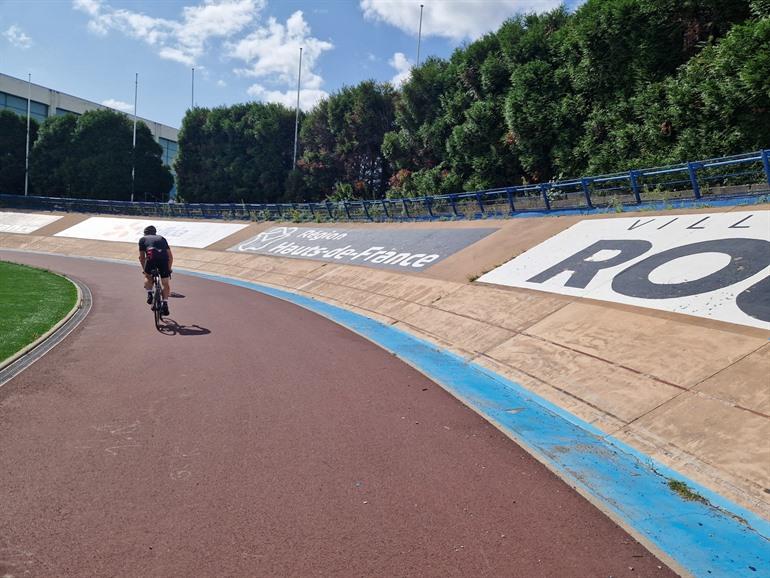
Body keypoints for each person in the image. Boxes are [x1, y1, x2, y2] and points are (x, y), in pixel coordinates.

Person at [139, 225, 173, 316]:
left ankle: (149, 293)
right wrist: (169, 269)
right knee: (165, 283)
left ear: (145, 233)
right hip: (163, 260)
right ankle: (165, 303)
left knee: (148, 276)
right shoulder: (162, 238)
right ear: (155, 232)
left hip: (151, 259)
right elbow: (170, 256)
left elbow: (142, 258)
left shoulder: (142, 239)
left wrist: (144, 270)